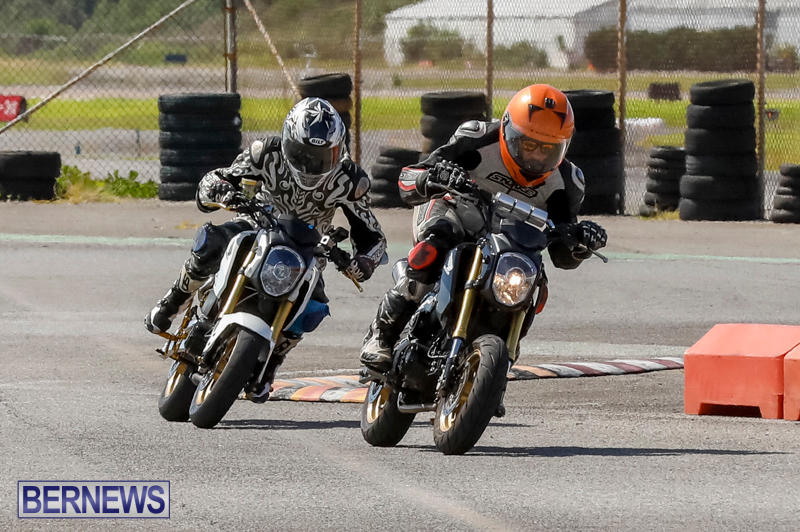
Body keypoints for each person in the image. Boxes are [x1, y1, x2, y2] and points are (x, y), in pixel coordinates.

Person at [146, 97, 387, 393]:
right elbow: (218, 178)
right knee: (212, 240)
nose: (311, 163)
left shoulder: (351, 180)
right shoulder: (266, 152)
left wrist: (362, 262)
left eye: (322, 156)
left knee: (315, 306)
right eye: (303, 153)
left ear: (338, 150)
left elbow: (373, 237)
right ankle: (174, 299)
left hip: (308, 249)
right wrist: (223, 192)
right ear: (288, 141)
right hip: (257, 224)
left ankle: (272, 361)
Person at [360, 84, 607, 371]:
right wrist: (435, 177)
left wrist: (580, 242)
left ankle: (504, 345)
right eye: (528, 145)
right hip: (456, 212)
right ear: (507, 131)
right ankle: (381, 335)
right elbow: (412, 176)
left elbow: (561, 253)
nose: (536, 157)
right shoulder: (477, 138)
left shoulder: (568, 182)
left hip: (511, 239)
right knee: (433, 248)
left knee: (535, 281)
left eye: (547, 150)